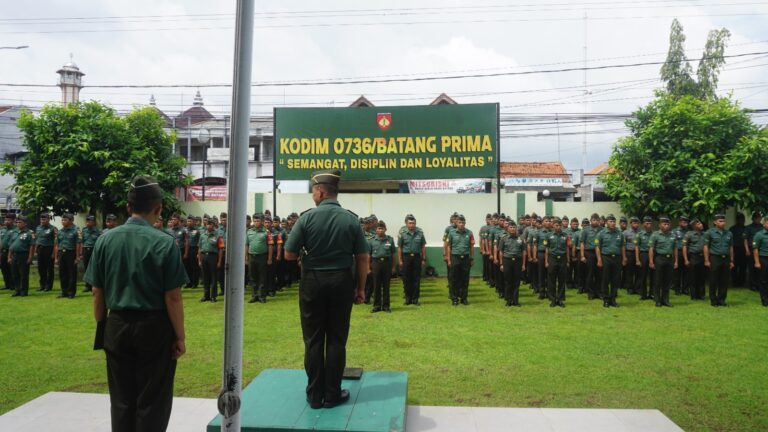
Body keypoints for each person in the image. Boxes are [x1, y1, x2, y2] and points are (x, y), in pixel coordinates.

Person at [85, 175, 188, 432]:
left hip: (116, 324)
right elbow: (173, 297)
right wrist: (180, 336)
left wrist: (103, 326)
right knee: (152, 400)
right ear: (158, 209)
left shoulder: (105, 240)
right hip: (154, 327)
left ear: (128, 207)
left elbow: (97, 292)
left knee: (121, 400)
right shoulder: (165, 243)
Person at [283, 169, 369, 410]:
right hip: (342, 281)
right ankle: (332, 394)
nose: (313, 195)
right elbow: (362, 257)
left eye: (313, 191)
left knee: (313, 340)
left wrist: (305, 253)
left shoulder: (307, 218)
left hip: (313, 282)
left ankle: (314, 396)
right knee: (337, 340)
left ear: (320, 191)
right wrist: (360, 289)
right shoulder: (351, 219)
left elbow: (289, 254)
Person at [704, 214, 734, 307]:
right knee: (713, 280)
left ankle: (721, 299)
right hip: (715, 258)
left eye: (724, 221)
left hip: (726, 259)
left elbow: (731, 247)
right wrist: (706, 260)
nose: (723, 223)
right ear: (715, 222)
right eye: (720, 221)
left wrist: (732, 260)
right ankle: (713, 300)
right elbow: (706, 247)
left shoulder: (729, 233)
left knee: (724, 280)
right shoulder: (710, 232)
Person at [596, 214, 625, 308]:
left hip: (617, 258)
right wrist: (599, 259)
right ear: (606, 222)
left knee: (615, 280)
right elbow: (597, 247)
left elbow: (622, 246)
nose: (612, 223)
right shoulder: (601, 233)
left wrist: (624, 258)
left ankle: (613, 299)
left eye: (613, 221)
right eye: (610, 221)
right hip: (606, 258)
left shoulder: (619, 233)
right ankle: (606, 300)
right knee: (605, 279)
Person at [446, 214, 474, 306]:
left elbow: (471, 247)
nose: (461, 224)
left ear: (465, 223)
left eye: (463, 222)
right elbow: (449, 247)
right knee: (454, 279)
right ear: (456, 223)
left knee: (465, 279)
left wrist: (472, 258)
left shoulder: (469, 233)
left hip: (465, 258)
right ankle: (454, 298)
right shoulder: (451, 233)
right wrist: (449, 259)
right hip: (455, 257)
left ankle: (464, 298)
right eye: (459, 222)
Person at [649, 216, 677, 307]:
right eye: (664, 224)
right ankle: (657, 300)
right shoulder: (655, 235)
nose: (666, 225)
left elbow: (675, 249)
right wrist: (651, 261)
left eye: (668, 224)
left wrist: (676, 261)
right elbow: (651, 249)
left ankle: (665, 300)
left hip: (669, 259)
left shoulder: (673, 235)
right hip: (659, 258)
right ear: (660, 225)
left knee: (667, 280)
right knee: (658, 280)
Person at [398, 214, 426, 306]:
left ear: (415, 223)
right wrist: (400, 260)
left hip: (417, 257)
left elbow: (423, 246)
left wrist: (423, 259)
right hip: (406, 257)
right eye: (410, 223)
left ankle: (415, 299)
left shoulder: (420, 232)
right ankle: (408, 298)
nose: (411, 225)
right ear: (406, 223)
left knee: (416, 279)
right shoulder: (402, 233)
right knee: (406, 279)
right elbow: (400, 247)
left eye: (413, 223)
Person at [369, 220, 395, 313]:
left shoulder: (390, 240)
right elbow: (369, 255)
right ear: (376, 230)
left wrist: (393, 267)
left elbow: (393, 254)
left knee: (386, 286)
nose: (380, 230)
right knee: (376, 286)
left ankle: (386, 306)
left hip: (387, 264)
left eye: (382, 228)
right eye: (379, 228)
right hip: (376, 264)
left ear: (385, 229)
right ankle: (376, 306)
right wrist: (369, 267)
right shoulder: (372, 240)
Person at [246, 214, 271, 304]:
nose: (256, 222)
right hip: (252, 256)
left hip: (262, 256)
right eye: (255, 221)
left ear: (262, 221)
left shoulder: (266, 232)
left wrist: (269, 258)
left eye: (258, 221)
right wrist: (246, 257)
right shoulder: (249, 232)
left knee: (262, 277)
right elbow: (246, 245)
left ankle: (262, 296)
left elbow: (270, 245)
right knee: (253, 277)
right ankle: (254, 295)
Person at [499, 221, 525, 307]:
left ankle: (515, 300)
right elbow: (501, 252)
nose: (513, 229)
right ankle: (509, 300)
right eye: (511, 227)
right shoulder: (504, 238)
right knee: (508, 281)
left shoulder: (520, 239)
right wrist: (501, 264)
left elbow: (524, 252)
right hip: (507, 260)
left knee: (516, 282)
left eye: (514, 227)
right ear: (508, 228)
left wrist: (523, 264)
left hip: (518, 261)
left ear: (516, 228)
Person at [56, 213, 82, 299]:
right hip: (61, 253)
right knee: (62, 273)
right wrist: (56, 257)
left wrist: (77, 256)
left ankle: (71, 292)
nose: (63, 222)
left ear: (71, 221)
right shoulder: (60, 231)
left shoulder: (76, 231)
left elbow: (78, 244)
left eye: (65, 220)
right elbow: (57, 244)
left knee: (71, 273)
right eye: (62, 220)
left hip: (71, 253)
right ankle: (64, 292)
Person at [545, 217, 569, 308]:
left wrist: (567, 260)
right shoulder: (549, 235)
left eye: (559, 225)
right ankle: (553, 299)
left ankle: (560, 299)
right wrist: (546, 261)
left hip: (562, 259)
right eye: (556, 225)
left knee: (562, 280)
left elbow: (567, 248)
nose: (558, 227)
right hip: (552, 258)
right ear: (553, 225)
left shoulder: (565, 235)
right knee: (551, 280)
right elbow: (547, 249)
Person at [8, 216, 34, 297]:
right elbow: (11, 246)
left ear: (25, 223)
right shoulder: (14, 232)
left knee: (23, 274)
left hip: (23, 255)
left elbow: (31, 246)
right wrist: (9, 256)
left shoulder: (29, 233)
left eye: (20, 222)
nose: (18, 224)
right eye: (17, 222)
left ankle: (24, 291)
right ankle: (17, 290)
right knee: (15, 274)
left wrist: (30, 257)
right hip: (14, 255)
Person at [199, 218, 224, 303]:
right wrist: (199, 260)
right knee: (205, 277)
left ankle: (213, 296)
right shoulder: (202, 235)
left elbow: (221, 249)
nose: (209, 225)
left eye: (210, 224)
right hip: (204, 257)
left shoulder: (218, 236)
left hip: (213, 257)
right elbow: (199, 248)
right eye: (207, 224)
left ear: (214, 225)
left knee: (213, 277)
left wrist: (219, 261)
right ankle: (206, 296)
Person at [683, 218, 706, 300]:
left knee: (702, 276)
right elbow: (685, 247)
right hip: (694, 257)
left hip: (703, 257)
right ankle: (694, 295)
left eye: (701, 223)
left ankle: (701, 294)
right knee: (693, 277)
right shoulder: (689, 234)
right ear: (694, 226)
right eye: (699, 224)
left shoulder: (705, 234)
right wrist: (686, 259)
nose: (701, 225)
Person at [580, 213, 602, 300]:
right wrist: (582, 256)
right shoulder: (586, 230)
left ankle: (599, 292)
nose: (595, 221)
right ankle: (591, 292)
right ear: (591, 221)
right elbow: (582, 243)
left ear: (599, 221)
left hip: (600, 253)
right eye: (594, 220)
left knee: (599, 273)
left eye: (597, 220)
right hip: (589, 253)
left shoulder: (602, 230)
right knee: (590, 273)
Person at [35, 213, 57, 292]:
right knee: (41, 268)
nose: (42, 221)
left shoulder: (53, 228)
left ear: (48, 219)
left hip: (49, 249)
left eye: (44, 219)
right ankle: (42, 285)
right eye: (41, 219)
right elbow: (37, 239)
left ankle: (48, 286)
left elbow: (56, 242)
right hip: (40, 249)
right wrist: (35, 250)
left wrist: (54, 253)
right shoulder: (38, 228)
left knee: (49, 269)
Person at [81, 215, 102, 293]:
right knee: (86, 268)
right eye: (87, 221)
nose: (88, 222)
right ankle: (87, 285)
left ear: (93, 222)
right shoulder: (84, 230)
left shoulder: (98, 231)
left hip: (94, 250)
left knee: (94, 267)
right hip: (86, 249)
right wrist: (81, 253)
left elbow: (99, 242)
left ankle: (94, 284)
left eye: (90, 221)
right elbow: (82, 242)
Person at [635, 216, 655, 300]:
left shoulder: (655, 234)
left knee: (653, 275)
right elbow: (637, 247)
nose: (649, 225)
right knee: (642, 275)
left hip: (654, 255)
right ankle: (643, 294)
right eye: (647, 223)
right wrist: (637, 259)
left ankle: (652, 294)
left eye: (650, 223)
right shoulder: (639, 234)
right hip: (643, 255)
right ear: (643, 224)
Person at [751, 216, 768, 307]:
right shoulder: (759, 235)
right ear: (764, 224)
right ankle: (765, 300)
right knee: (764, 280)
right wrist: (757, 262)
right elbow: (755, 249)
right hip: (764, 258)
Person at [744, 211, 762, 292]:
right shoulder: (748, 227)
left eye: (759, 218)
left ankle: (759, 284)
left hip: (761, 249)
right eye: (757, 218)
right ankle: (752, 284)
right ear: (753, 219)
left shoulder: (762, 227)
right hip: (751, 248)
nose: (758, 220)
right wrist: (747, 250)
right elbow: (745, 239)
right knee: (752, 267)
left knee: (760, 267)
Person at [672, 216, 690, 295]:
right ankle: (677, 289)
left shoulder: (689, 232)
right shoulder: (674, 231)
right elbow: (672, 244)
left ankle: (685, 289)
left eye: (686, 222)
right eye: (683, 222)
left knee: (686, 271)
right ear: (679, 222)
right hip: (678, 252)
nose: (685, 223)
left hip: (687, 252)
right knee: (677, 272)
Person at [729, 213, 747, 287]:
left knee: (743, 266)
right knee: (734, 266)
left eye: (742, 219)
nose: (741, 221)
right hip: (735, 249)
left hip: (743, 249)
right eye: (739, 219)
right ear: (737, 220)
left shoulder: (746, 228)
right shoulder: (732, 229)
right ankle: (735, 281)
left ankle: (742, 282)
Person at [623, 217, 640, 295]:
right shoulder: (626, 233)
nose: (635, 224)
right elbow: (623, 245)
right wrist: (624, 256)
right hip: (629, 253)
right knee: (629, 271)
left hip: (639, 254)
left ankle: (637, 288)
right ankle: (629, 288)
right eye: (634, 223)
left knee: (638, 271)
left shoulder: (641, 232)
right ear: (630, 224)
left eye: (637, 223)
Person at [0, 213, 16, 292]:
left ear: (13, 221)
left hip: (12, 252)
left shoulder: (16, 230)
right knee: (4, 268)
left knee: (12, 269)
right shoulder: (2, 230)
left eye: (8, 220)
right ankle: (7, 284)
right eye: (5, 220)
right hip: (3, 252)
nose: (6, 221)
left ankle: (13, 285)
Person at [184, 215, 201, 289]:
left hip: (194, 249)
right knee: (187, 267)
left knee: (194, 267)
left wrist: (198, 253)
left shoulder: (197, 230)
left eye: (190, 221)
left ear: (194, 222)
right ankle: (189, 283)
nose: (189, 222)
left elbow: (199, 242)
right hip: (186, 249)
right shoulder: (185, 230)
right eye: (188, 221)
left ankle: (195, 283)